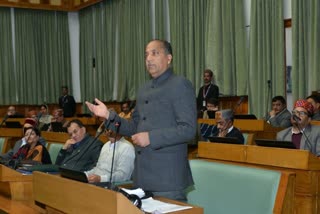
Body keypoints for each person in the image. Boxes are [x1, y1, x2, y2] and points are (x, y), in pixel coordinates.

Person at [86, 39, 197, 201]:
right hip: (142, 178)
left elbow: (188, 129)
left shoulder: (180, 84)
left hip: (168, 180)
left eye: (155, 53)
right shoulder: (144, 89)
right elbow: (133, 127)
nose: (149, 59)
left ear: (169, 58)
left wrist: (150, 137)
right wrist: (109, 116)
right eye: (146, 55)